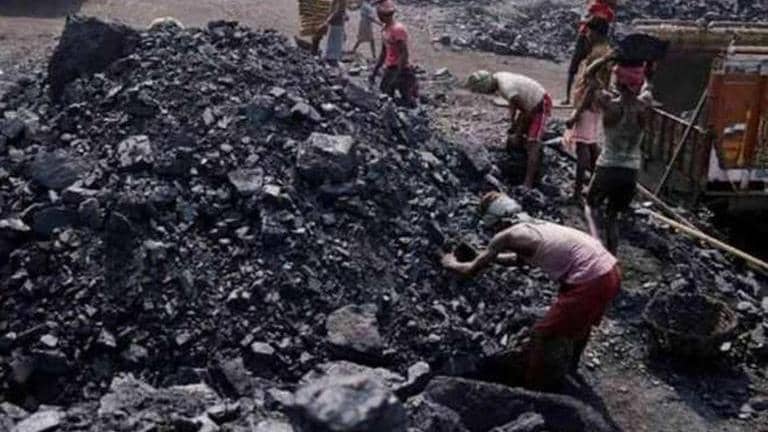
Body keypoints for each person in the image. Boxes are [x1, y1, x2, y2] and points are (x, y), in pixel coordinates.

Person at [441, 192, 621, 390]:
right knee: (583, 326)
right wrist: (488, 257)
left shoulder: (507, 236)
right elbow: (519, 260)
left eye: (493, 227)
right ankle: (572, 368)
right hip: (610, 270)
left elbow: (469, 271)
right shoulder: (536, 226)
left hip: (591, 280)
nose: (493, 232)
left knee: (541, 335)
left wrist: (449, 262)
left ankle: (532, 387)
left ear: (499, 221)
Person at [584, 57, 653, 254]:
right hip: (631, 170)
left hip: (608, 166)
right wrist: (645, 67)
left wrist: (608, 57)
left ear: (617, 83)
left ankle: (595, 248)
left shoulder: (610, 105)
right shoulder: (644, 103)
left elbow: (589, 75)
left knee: (590, 206)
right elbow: (648, 83)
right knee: (612, 215)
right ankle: (612, 256)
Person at [467, 71, 552, 189]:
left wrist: (518, 132)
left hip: (540, 103)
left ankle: (528, 182)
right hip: (529, 105)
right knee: (515, 135)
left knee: (532, 143)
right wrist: (513, 122)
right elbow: (514, 102)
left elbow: (526, 111)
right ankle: (520, 166)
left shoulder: (505, 86)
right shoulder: (498, 78)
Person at [564, 18, 613, 201]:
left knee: (582, 146)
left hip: (587, 103)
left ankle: (577, 193)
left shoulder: (596, 54)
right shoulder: (606, 51)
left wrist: (577, 112)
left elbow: (591, 85)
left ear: (597, 32)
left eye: (589, 31)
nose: (587, 35)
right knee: (591, 144)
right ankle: (596, 185)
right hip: (595, 104)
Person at [562, 0, 616, 106]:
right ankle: (570, 97)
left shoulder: (606, 11)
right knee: (578, 66)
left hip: (593, 37)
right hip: (588, 36)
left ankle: (575, 97)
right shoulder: (597, 7)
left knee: (589, 67)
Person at [369, 0, 418, 107]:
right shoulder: (385, 29)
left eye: (380, 14)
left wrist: (398, 74)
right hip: (390, 68)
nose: (378, 16)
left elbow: (404, 54)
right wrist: (375, 71)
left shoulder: (397, 30)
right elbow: (383, 52)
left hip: (401, 69)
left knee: (408, 100)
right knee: (385, 94)